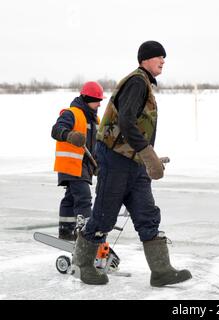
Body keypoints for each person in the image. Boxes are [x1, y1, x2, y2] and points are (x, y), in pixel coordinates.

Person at [71, 41, 192, 286]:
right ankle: (84, 265)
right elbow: (126, 121)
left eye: (164, 58)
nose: (163, 61)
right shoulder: (137, 82)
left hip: (134, 162)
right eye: (159, 57)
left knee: (147, 215)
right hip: (116, 160)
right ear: (145, 59)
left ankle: (161, 271)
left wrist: (147, 157)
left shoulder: (144, 84)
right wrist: (149, 154)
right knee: (104, 216)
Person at [51, 81, 105, 241]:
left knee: (70, 198)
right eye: (97, 101)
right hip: (71, 165)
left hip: (84, 166)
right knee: (83, 197)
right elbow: (56, 130)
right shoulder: (71, 113)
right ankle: (85, 231)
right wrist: (69, 135)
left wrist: (97, 163)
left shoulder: (96, 120)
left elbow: (96, 145)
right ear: (88, 98)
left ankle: (66, 231)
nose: (100, 105)